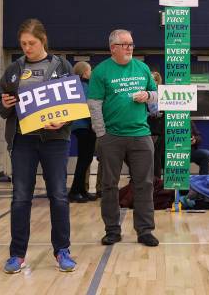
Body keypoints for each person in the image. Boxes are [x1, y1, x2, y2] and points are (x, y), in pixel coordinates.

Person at [0, 18, 76, 273]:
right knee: (20, 198)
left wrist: (63, 121)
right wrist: (5, 105)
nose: (27, 48)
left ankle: (62, 250)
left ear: (43, 41)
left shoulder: (61, 65)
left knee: (59, 196)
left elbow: (73, 103)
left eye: (31, 43)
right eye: (23, 44)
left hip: (55, 141)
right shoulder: (14, 69)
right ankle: (17, 254)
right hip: (23, 141)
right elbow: (0, 104)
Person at [88, 29, 159, 247]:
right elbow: (94, 105)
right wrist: (102, 134)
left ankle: (145, 230)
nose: (129, 48)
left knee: (145, 184)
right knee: (109, 185)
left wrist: (148, 96)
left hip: (141, 135)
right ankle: (112, 230)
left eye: (131, 44)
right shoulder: (101, 72)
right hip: (112, 137)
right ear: (113, 48)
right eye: (124, 44)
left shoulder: (142, 68)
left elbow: (156, 95)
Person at [68, 61, 98, 203]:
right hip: (85, 126)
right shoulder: (84, 85)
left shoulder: (76, 84)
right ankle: (75, 191)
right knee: (84, 160)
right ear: (85, 72)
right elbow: (89, 106)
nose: (91, 73)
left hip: (78, 126)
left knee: (84, 160)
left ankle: (81, 190)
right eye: (90, 70)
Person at [147, 71, 165, 178]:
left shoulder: (153, 94)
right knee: (155, 156)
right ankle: (156, 181)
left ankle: (155, 182)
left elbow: (155, 112)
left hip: (155, 129)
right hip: (156, 128)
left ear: (157, 81)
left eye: (152, 79)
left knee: (154, 156)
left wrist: (146, 113)